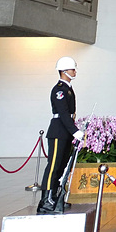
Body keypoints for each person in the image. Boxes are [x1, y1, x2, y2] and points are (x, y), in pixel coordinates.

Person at [37, 56, 84, 215]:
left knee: (62, 166)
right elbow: (63, 113)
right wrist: (75, 131)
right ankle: (46, 200)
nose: (75, 71)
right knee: (53, 166)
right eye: (72, 69)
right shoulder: (59, 89)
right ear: (64, 71)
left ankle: (55, 197)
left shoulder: (68, 88)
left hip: (65, 132)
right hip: (58, 131)